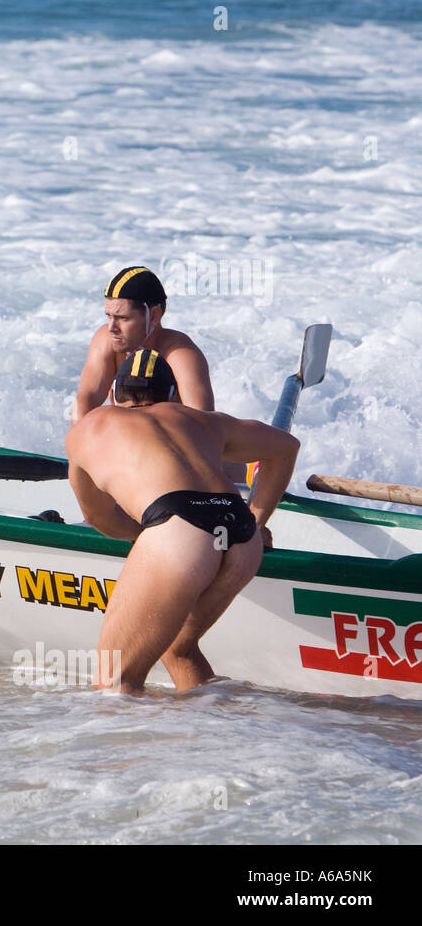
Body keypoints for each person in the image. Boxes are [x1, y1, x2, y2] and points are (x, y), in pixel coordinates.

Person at [65, 348, 299, 695]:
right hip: (241, 533)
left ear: (114, 394)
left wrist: (148, 539)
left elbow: (99, 517)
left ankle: (139, 751)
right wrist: (258, 519)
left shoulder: (90, 426)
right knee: (178, 648)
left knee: (115, 681)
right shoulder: (202, 419)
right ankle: (215, 742)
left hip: (180, 530)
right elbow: (285, 447)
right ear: (172, 394)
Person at [72, 266, 214, 424]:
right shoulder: (107, 341)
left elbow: (204, 425)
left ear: (154, 316)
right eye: (109, 316)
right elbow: (83, 405)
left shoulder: (180, 354)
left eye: (123, 318)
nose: (111, 327)